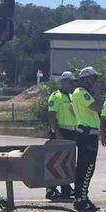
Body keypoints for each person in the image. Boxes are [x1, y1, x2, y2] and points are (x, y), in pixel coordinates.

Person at [71, 67, 105, 211]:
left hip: (86, 133)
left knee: (84, 168)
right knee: (87, 168)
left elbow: (72, 110)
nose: (95, 81)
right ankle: (81, 199)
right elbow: (97, 107)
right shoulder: (82, 93)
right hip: (87, 134)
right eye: (93, 78)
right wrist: (98, 93)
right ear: (86, 79)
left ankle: (81, 197)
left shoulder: (79, 93)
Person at [45, 71, 78, 201]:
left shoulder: (71, 96)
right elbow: (51, 116)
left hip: (71, 132)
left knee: (67, 162)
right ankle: (51, 188)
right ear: (63, 82)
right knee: (55, 161)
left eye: (73, 82)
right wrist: (58, 134)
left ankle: (65, 187)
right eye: (70, 82)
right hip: (60, 132)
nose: (72, 85)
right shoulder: (56, 96)